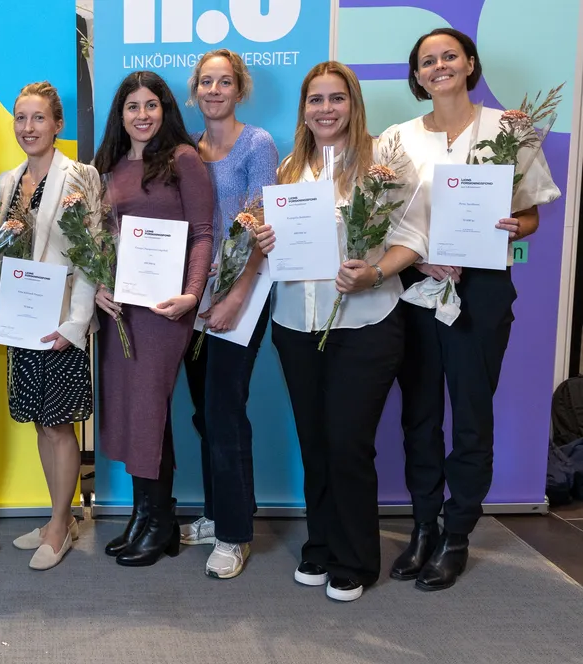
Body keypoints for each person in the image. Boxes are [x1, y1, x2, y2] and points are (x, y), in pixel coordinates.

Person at [389, 28, 560, 591]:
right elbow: (385, 222)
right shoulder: (398, 138)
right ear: (416, 77)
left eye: (448, 57)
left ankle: (457, 530)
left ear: (469, 63)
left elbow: (531, 214)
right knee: (420, 414)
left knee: (470, 413)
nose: (438, 66)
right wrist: (422, 261)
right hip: (416, 288)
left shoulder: (508, 129)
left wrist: (517, 225)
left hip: (482, 289)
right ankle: (422, 526)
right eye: (426, 62)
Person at [254, 61, 425, 602]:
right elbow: (282, 247)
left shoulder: (383, 163)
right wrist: (264, 242)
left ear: (353, 104)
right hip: (295, 324)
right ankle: (321, 544)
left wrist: (375, 271)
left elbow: (415, 235)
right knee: (315, 439)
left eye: (336, 99)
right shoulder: (288, 168)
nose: (325, 109)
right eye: (315, 100)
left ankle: (356, 557)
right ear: (303, 109)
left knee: (349, 441)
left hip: (365, 321)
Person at [91, 70, 214, 567]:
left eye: (150, 105)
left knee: (148, 407)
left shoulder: (184, 160)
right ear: (120, 115)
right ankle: (149, 515)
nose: (141, 116)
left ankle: (159, 517)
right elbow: (101, 238)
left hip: (165, 309)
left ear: (165, 110)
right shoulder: (112, 166)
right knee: (130, 408)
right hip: (122, 307)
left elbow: (203, 233)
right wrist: (99, 284)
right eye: (131, 107)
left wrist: (192, 294)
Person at [178, 49, 279, 579]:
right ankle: (218, 513)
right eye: (206, 83)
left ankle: (236, 533)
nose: (214, 91)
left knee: (224, 410)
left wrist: (238, 294)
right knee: (203, 410)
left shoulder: (257, 144)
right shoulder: (187, 150)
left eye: (224, 82)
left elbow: (261, 226)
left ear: (238, 90)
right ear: (195, 92)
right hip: (197, 296)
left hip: (243, 292)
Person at [0, 82, 98, 571]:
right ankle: (60, 515)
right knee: (41, 421)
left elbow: (91, 257)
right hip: (21, 324)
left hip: (60, 325)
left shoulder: (81, 176)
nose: (28, 128)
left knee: (60, 425)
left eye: (38, 118)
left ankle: (59, 525)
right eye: (21, 117)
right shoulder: (5, 182)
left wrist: (75, 324)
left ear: (58, 124)